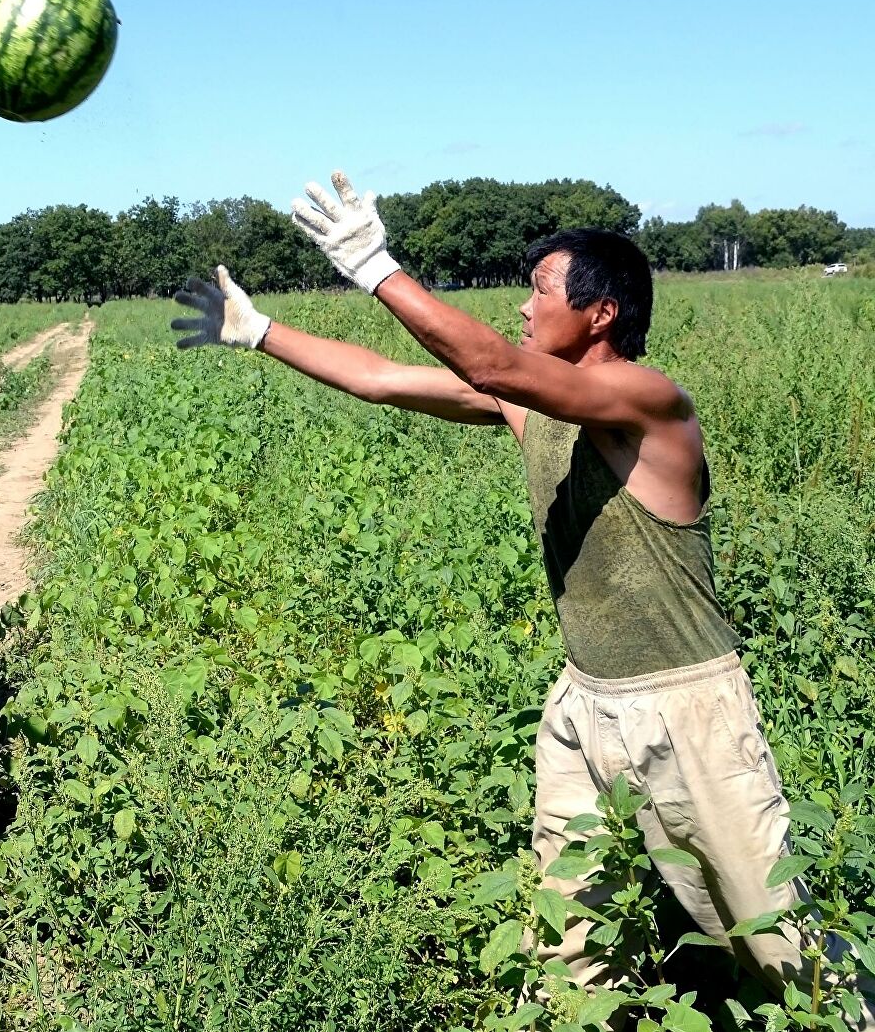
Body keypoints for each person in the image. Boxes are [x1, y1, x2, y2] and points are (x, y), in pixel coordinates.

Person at [172, 172, 866, 1021]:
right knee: (570, 931)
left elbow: (489, 360)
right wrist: (260, 331)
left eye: (540, 289)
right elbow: (384, 380)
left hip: (684, 705)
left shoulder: (650, 401)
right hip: (585, 702)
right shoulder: (530, 406)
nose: (523, 305)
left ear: (600, 313)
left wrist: (372, 262)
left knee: (778, 942)